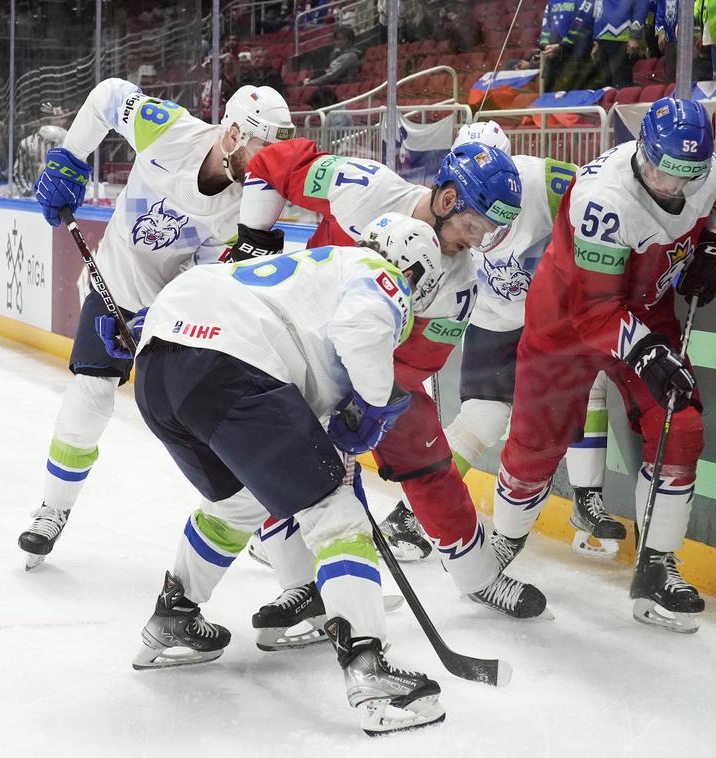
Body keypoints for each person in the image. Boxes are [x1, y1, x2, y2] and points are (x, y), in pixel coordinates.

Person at [131, 213, 447, 736]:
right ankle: (369, 671)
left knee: (239, 504)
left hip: (163, 366)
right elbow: (360, 329)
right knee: (338, 514)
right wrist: (371, 407)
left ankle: (173, 617)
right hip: (231, 364)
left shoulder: (313, 267)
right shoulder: (380, 274)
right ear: (415, 272)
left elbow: (301, 354)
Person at [234, 137, 548, 644]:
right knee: (281, 460)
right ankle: (294, 576)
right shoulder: (366, 188)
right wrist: (250, 236)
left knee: (428, 456)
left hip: (372, 371)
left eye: (492, 230)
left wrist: (362, 406)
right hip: (294, 348)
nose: (480, 240)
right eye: (475, 224)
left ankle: (479, 577)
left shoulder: (461, 285)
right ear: (448, 199)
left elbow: (419, 362)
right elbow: (270, 162)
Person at [17, 78, 295, 571]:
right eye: (262, 151)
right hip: (114, 286)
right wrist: (72, 158)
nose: (270, 170)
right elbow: (105, 95)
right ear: (232, 134)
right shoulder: (169, 130)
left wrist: (160, 321)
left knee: (218, 420)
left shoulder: (250, 208)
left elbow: (210, 286)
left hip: (177, 316)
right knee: (92, 393)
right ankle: (52, 508)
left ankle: (262, 530)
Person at [493, 97, 716, 634]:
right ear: (641, 152)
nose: (672, 187)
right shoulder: (602, 200)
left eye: (685, 176)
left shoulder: (707, 172)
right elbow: (595, 310)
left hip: (647, 312)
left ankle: (656, 569)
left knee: (682, 424)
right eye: (660, 172)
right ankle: (499, 550)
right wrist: (647, 351)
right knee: (537, 445)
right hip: (568, 322)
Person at [439, 121, 624, 562]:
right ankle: (417, 508)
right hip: (494, 317)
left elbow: (597, 199)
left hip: (550, 314)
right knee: (483, 419)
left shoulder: (542, 179)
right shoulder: (440, 201)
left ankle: (586, 496)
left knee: (588, 388)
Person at [11, 102, 70, 197]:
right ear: (36, 119)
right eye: (42, 117)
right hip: (35, 198)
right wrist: (28, 193)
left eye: (49, 117)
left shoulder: (66, 140)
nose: (46, 120)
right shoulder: (26, 143)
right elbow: (18, 173)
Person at [540, 0, 597, 92]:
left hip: (578, 60)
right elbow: (546, 23)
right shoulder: (552, 1)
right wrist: (546, 45)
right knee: (551, 99)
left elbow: (582, 23)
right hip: (553, 59)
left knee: (577, 99)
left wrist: (562, 46)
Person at [591, 0, 649, 89]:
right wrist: (595, 41)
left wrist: (635, 36)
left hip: (622, 39)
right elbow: (598, 10)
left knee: (621, 84)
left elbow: (641, 8)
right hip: (602, 39)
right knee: (606, 87)